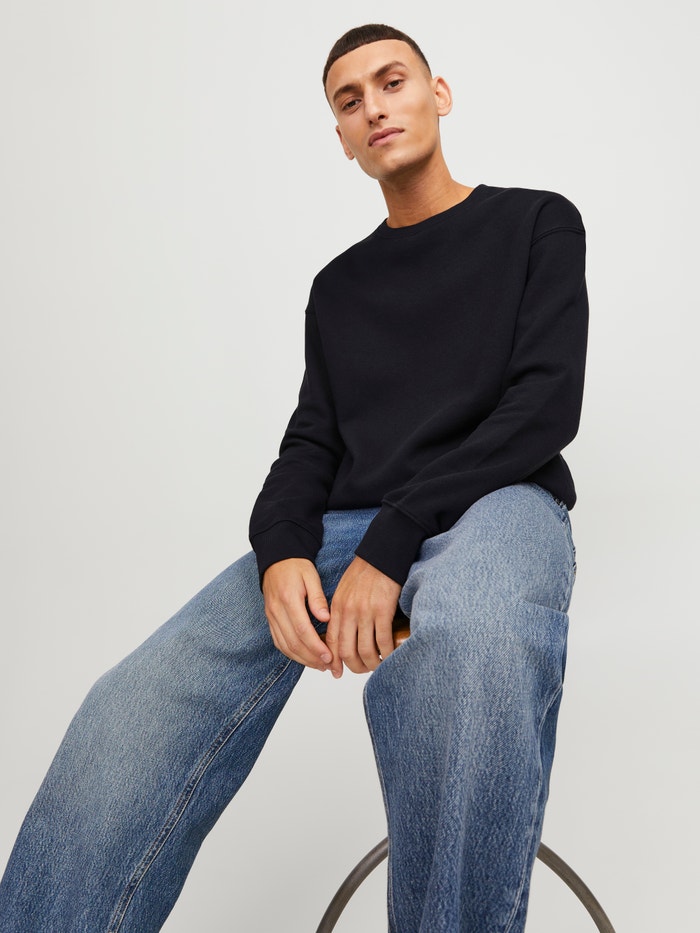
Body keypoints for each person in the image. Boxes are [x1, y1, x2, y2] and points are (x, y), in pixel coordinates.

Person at [0, 22, 588, 933]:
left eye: (392, 81)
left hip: (501, 501)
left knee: (469, 637)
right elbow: (311, 443)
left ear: (438, 93)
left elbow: (543, 407)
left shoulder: (537, 221)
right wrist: (279, 552)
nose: (374, 107)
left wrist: (395, 538)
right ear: (342, 137)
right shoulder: (339, 287)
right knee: (136, 698)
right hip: (351, 527)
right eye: (350, 101)